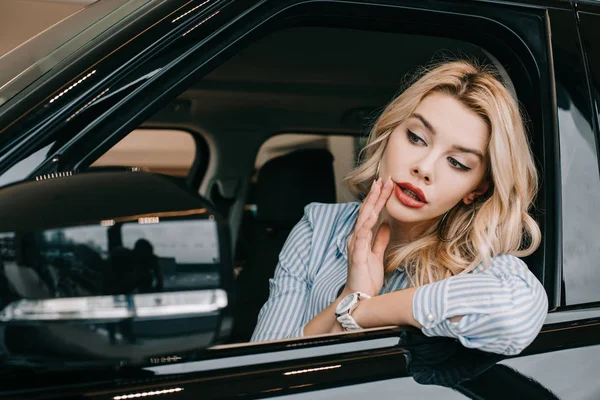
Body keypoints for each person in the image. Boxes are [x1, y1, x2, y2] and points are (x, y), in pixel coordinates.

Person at [250, 60, 548, 356]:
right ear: (389, 132)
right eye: (416, 138)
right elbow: (261, 366)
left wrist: (360, 310)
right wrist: (348, 295)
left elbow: (516, 313)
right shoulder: (320, 226)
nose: (424, 167)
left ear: (476, 190)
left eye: (457, 163)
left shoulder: (475, 264)